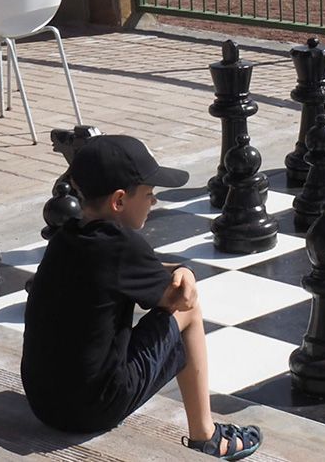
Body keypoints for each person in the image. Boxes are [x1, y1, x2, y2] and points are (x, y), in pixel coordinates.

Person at [21, 134, 263, 460]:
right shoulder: (123, 244)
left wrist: (174, 268)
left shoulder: (68, 235)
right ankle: (206, 436)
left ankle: (205, 434)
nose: (154, 202)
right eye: (149, 194)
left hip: (43, 403)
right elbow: (180, 300)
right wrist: (187, 272)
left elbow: (126, 272)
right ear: (119, 201)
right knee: (188, 315)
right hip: (92, 409)